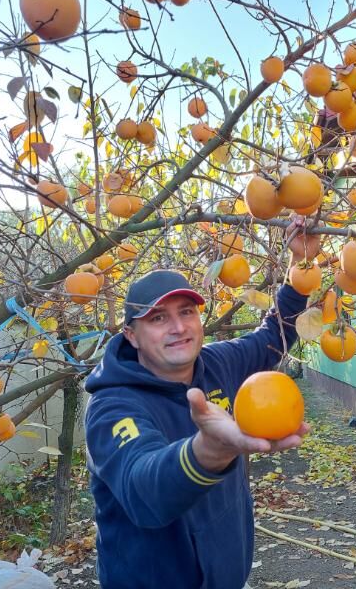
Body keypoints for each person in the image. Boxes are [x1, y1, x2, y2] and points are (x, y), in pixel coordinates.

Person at [84, 221, 320, 589]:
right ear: (132, 335)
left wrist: (299, 268)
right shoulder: (112, 405)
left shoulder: (218, 363)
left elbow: (273, 336)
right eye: (158, 318)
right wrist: (209, 452)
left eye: (186, 312)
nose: (178, 327)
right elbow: (143, 489)